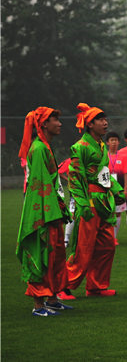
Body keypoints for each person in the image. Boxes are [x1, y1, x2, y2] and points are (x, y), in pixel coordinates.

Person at [16, 107, 73, 316]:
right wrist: (53, 211)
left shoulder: (45, 146)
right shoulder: (39, 148)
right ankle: (38, 305)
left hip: (51, 210)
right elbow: (41, 186)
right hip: (43, 212)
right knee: (42, 253)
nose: (59, 123)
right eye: (55, 120)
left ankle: (53, 298)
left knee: (56, 255)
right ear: (43, 125)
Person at [64, 103, 123, 297]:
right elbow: (74, 178)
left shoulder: (101, 146)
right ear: (90, 124)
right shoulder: (79, 147)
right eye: (100, 120)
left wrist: (117, 189)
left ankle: (96, 286)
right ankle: (62, 286)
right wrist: (82, 204)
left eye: (106, 119)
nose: (105, 123)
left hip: (104, 202)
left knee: (107, 245)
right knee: (83, 248)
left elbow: (103, 173)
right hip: (89, 202)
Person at [106, 131, 127, 244]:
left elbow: (126, 173)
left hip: (119, 189)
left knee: (118, 213)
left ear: (119, 142)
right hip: (106, 189)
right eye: (112, 140)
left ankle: (114, 237)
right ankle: (107, 237)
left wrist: (125, 189)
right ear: (107, 142)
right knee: (107, 213)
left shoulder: (123, 157)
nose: (114, 142)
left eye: (116, 140)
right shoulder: (103, 157)